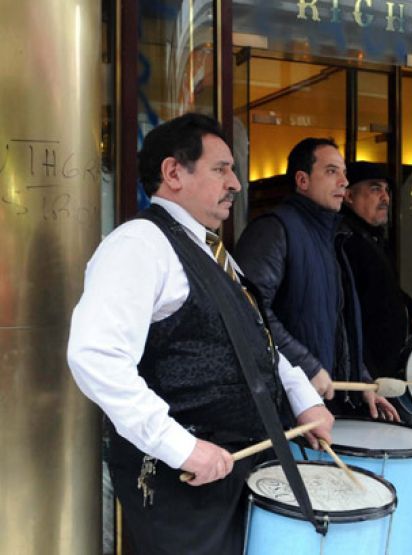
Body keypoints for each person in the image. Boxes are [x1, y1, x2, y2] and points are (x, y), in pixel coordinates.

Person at [66, 113, 334, 554]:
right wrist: (181, 447)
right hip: (184, 485)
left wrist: (304, 400)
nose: (236, 183)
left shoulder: (212, 252)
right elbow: (95, 355)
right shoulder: (139, 244)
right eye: (221, 169)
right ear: (174, 173)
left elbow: (257, 342)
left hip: (234, 476)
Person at [235, 139, 398, 421]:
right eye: (332, 171)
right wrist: (307, 366)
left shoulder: (330, 238)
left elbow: (338, 327)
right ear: (302, 179)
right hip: (284, 408)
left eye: (344, 173)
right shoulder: (274, 230)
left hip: (322, 406)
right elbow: (247, 311)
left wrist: (362, 381)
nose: (344, 181)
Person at [337, 161, 412, 381]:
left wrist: (410, 308)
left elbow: (385, 287)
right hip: (367, 370)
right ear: (349, 196)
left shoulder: (373, 238)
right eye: (375, 189)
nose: (386, 198)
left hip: (385, 366)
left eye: (387, 191)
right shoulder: (346, 240)